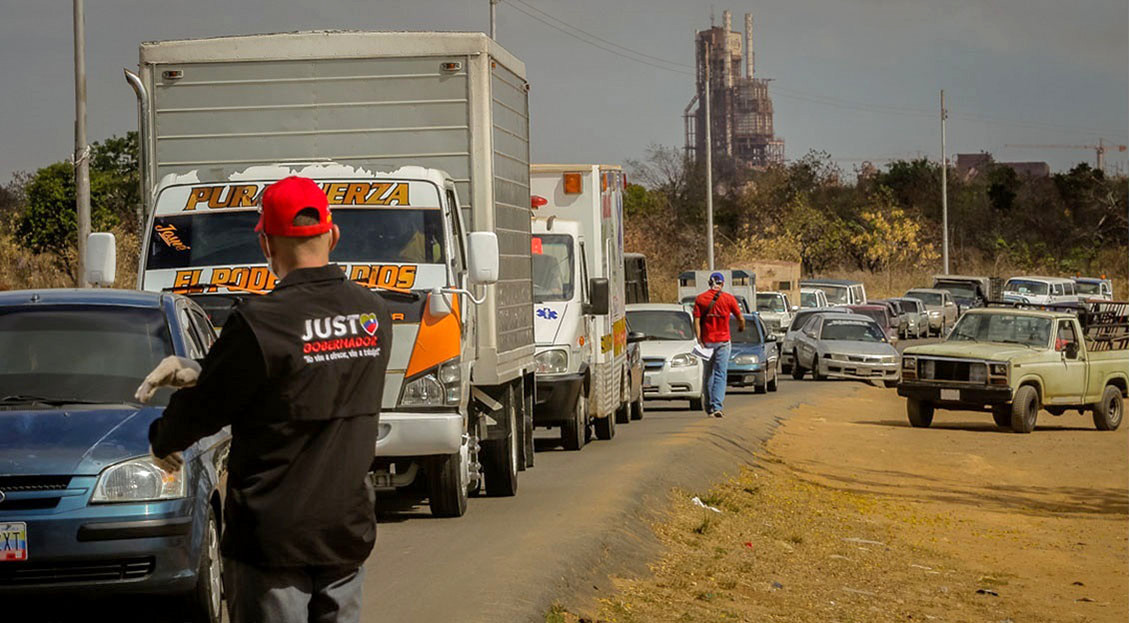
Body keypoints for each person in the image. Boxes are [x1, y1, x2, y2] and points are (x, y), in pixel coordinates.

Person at [137, 176, 393, 623]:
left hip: (273, 539)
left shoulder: (260, 323)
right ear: (332, 234)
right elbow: (307, 377)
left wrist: (164, 438)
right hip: (345, 531)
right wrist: (203, 368)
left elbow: (210, 404)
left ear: (266, 245)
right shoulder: (373, 314)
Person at [692, 271, 745, 418]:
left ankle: (708, 406)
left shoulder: (700, 299)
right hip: (723, 341)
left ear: (710, 283)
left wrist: (699, 339)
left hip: (707, 342)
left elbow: (696, 321)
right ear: (722, 284)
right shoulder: (728, 299)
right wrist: (741, 327)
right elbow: (740, 318)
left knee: (708, 374)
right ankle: (717, 407)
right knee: (720, 374)